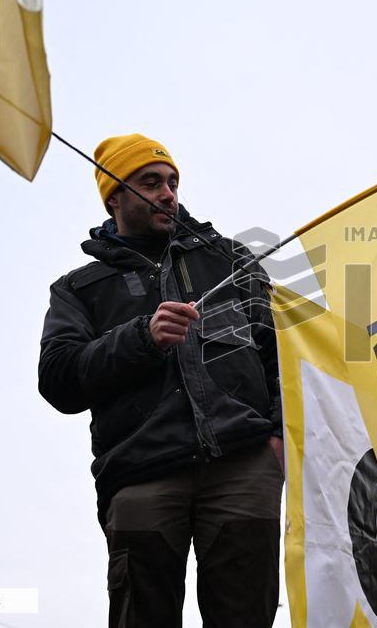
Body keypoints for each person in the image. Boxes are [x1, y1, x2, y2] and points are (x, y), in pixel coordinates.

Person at [38, 134, 284, 628]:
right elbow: (58, 379)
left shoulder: (231, 259)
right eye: (151, 182)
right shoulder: (78, 288)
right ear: (114, 197)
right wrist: (141, 338)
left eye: (172, 181)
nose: (168, 193)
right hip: (140, 474)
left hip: (244, 466)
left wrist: (276, 439)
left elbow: (282, 352)